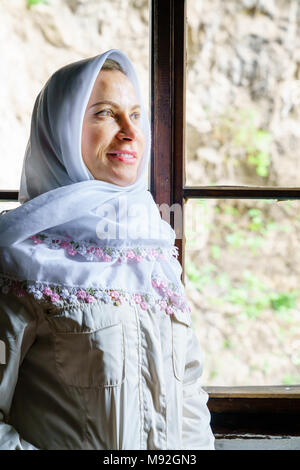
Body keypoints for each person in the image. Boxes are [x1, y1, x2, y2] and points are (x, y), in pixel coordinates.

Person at [0, 49, 215, 450]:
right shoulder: (17, 259)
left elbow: (188, 396)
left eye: (135, 115)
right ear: (61, 130)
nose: (130, 132)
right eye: (104, 113)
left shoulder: (154, 247)